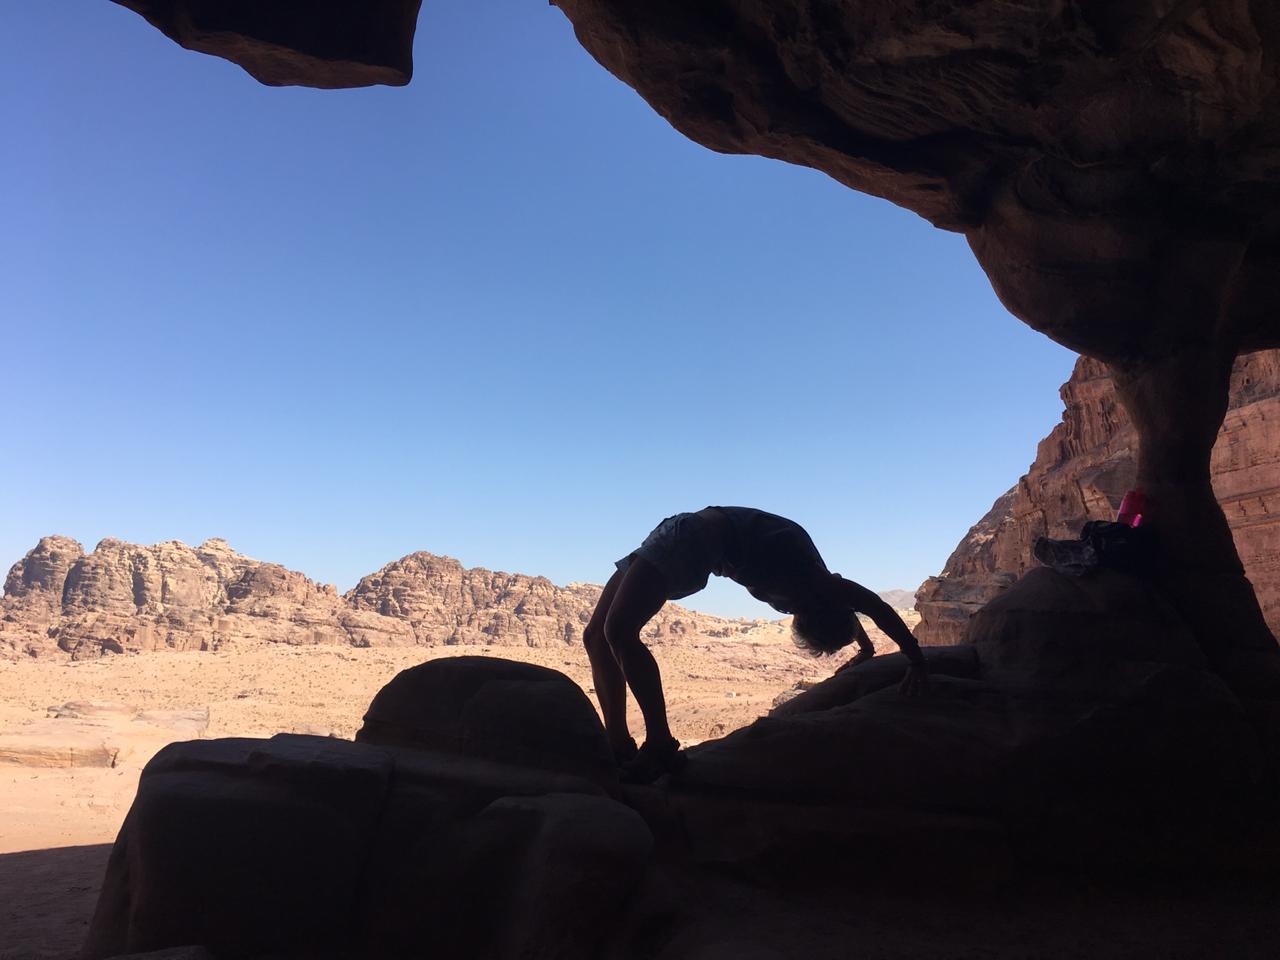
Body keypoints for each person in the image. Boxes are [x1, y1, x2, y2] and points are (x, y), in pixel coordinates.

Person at [583, 506, 928, 782]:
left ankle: (636, 745)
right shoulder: (817, 585)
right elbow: (874, 607)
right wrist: (915, 659)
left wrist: (865, 648)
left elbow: (857, 607)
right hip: (689, 536)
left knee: (607, 634)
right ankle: (640, 746)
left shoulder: (819, 594)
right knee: (608, 633)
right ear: (819, 615)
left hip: (687, 535)